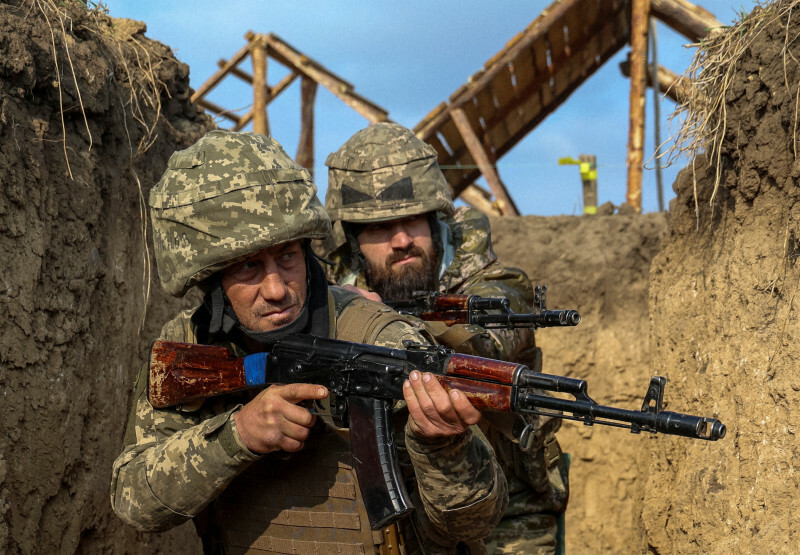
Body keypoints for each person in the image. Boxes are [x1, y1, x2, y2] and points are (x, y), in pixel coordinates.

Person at [110, 130, 508, 554]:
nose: (277, 288)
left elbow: (476, 523)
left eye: (287, 257)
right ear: (210, 280)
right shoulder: (190, 346)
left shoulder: (381, 337)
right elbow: (133, 502)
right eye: (248, 267)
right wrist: (236, 436)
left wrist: (442, 447)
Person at [322, 123, 569, 555]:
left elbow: (486, 340)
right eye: (380, 227)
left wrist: (371, 321)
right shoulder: (333, 291)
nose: (401, 241)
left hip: (508, 516)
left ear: (436, 221)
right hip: (395, 514)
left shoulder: (492, 287)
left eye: (412, 220)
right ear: (354, 239)